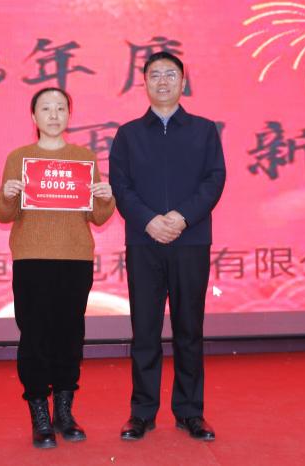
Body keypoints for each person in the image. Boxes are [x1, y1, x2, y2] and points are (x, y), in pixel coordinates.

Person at [109, 52, 226, 442]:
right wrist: (149, 220)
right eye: (155, 74)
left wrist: (182, 217)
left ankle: (190, 411)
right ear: (143, 82)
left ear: (183, 82)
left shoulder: (204, 130)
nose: (162, 81)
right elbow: (120, 185)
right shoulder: (128, 134)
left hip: (190, 240)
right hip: (144, 241)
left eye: (170, 74)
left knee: (189, 329)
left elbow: (214, 180)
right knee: (144, 330)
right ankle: (141, 413)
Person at [0, 87, 115, 449]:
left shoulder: (84, 158)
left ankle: (64, 411)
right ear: (33, 117)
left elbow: (97, 216)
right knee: (34, 336)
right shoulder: (19, 158)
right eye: (46, 108)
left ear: (69, 116)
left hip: (75, 259)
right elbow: (3, 213)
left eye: (61, 108)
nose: (54, 114)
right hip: (31, 258)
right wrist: (7, 195)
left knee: (69, 335)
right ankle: (39, 415)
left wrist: (106, 199)